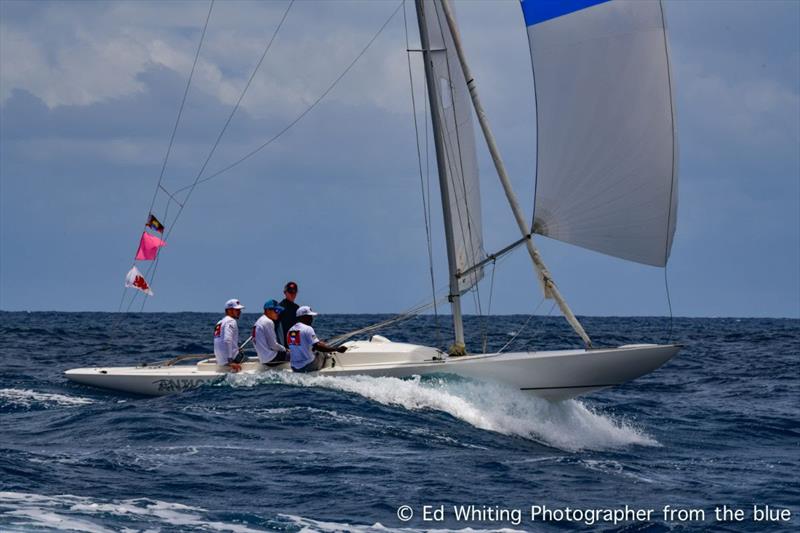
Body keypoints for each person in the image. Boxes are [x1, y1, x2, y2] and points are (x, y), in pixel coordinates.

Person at [287, 305, 347, 373]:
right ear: (302, 317)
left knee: (318, 347)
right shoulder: (308, 328)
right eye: (309, 316)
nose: (311, 319)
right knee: (322, 353)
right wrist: (336, 349)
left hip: (294, 367)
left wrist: (316, 344)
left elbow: (299, 345)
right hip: (307, 366)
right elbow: (318, 347)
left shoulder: (290, 330)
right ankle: (326, 370)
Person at [253, 299, 289, 365]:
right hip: (271, 359)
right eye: (276, 310)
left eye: (279, 311)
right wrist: (285, 350)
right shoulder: (268, 322)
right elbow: (273, 345)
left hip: (263, 359)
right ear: (267, 310)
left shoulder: (258, 321)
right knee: (295, 355)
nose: (278, 313)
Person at [214, 298, 244, 372]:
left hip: (220, 360)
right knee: (242, 354)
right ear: (229, 310)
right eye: (237, 310)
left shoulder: (220, 322)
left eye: (240, 310)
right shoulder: (231, 321)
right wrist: (230, 361)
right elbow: (227, 340)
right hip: (228, 360)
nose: (240, 312)